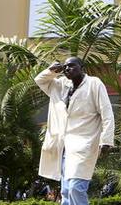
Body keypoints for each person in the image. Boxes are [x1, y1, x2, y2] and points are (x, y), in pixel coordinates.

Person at [35, 56, 115, 205]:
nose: (67, 69)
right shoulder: (60, 86)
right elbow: (40, 80)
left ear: (82, 67)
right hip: (64, 146)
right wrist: (51, 71)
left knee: (76, 188)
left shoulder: (94, 84)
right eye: (65, 67)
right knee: (66, 192)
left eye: (72, 66)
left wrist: (106, 141)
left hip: (85, 143)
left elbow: (107, 114)